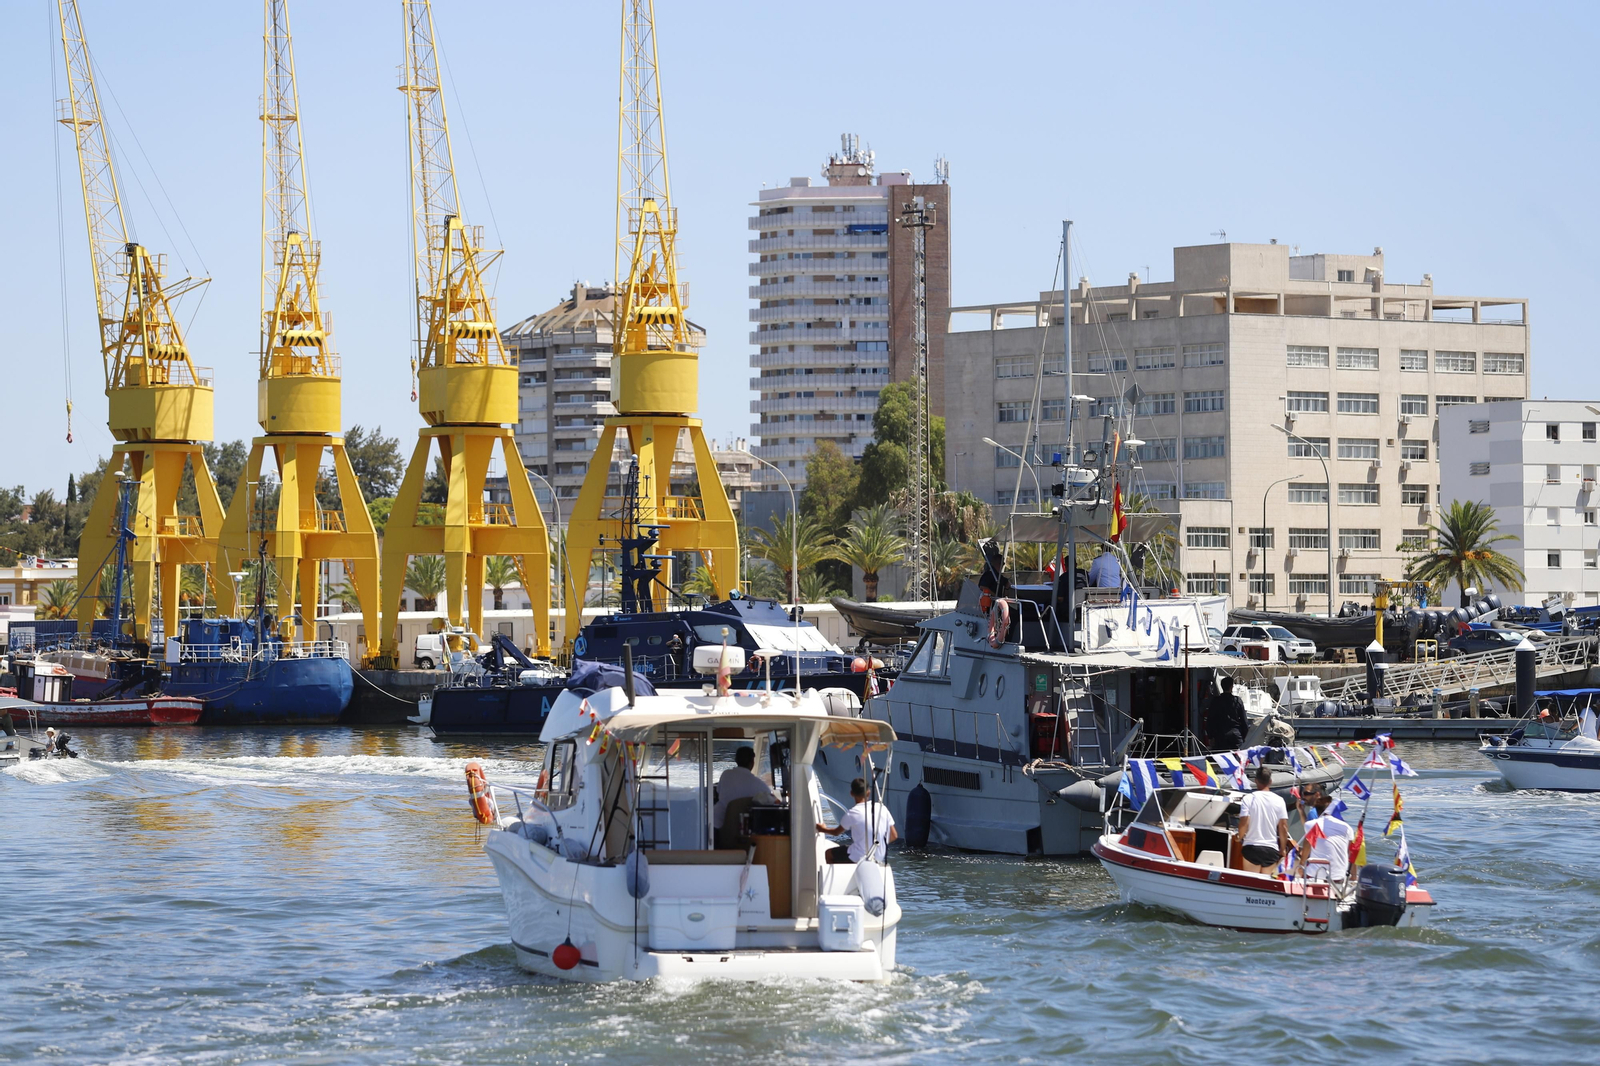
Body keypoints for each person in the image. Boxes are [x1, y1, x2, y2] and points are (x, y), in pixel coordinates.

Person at [817, 777, 898, 864]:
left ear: (851, 793)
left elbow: (836, 832)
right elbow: (894, 835)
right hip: (879, 856)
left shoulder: (852, 813)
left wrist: (822, 829)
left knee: (828, 854)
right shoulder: (882, 808)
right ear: (868, 792)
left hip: (859, 856)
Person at [1236, 765, 1290, 874]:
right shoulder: (1279, 801)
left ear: (1255, 780)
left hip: (1252, 847)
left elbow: (1244, 822)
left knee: (1250, 883)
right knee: (1265, 883)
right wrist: (1283, 848)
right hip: (1271, 849)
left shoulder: (1248, 798)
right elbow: (1283, 827)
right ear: (1270, 781)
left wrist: (1239, 837)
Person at [1296, 784, 1355, 883]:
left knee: (1302, 868)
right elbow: (1351, 852)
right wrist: (1353, 875)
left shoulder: (1312, 824)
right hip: (1339, 876)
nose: (1303, 796)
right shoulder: (1347, 827)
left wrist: (1301, 865)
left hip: (1317, 874)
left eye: (1306, 794)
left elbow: (1308, 844)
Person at [712, 746, 777, 832]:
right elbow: (771, 799)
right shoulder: (758, 784)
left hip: (715, 823)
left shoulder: (726, 774)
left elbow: (718, 791)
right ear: (752, 762)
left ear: (736, 760)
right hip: (740, 827)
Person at [1203, 676, 1248, 750]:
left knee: (1221, 759)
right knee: (1238, 758)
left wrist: (1210, 736)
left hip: (1220, 735)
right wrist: (1244, 736)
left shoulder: (1215, 701)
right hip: (1235, 735)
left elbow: (1210, 720)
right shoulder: (1238, 701)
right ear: (1231, 687)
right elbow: (1244, 721)